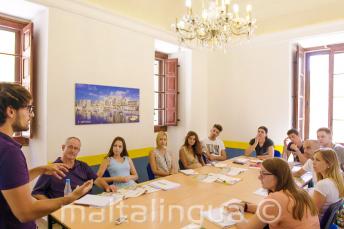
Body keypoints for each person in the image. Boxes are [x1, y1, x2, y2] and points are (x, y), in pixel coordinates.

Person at [0, 83, 93, 229]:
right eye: (28, 108)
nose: (32, 114)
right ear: (11, 111)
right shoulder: (10, 152)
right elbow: (26, 211)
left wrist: (41, 169)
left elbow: (9, 183)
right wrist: (71, 198)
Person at [226, 158, 319, 229]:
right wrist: (246, 206)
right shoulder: (298, 191)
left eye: (264, 173)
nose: (259, 177)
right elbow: (273, 211)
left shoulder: (275, 199)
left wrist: (235, 212)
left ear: (278, 176)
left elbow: (248, 228)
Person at [32, 137, 116, 199]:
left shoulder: (83, 166)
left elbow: (97, 180)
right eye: (70, 147)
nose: (72, 151)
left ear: (78, 151)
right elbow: (36, 193)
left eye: (76, 148)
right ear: (63, 147)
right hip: (66, 208)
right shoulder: (52, 169)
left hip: (89, 203)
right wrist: (52, 206)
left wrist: (107, 187)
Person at [312, 148, 344, 219]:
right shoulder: (338, 179)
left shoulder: (323, 184)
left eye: (317, 160)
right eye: (313, 159)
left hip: (317, 222)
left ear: (329, 164)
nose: (313, 162)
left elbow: (313, 213)